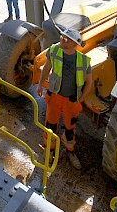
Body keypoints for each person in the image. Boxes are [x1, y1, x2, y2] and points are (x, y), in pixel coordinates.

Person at [37, 28, 92, 170]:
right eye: (63, 36)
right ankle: (49, 150)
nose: (62, 38)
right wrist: (40, 84)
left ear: (74, 43)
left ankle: (70, 151)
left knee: (70, 128)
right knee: (50, 126)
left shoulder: (83, 61)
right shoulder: (54, 50)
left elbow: (89, 82)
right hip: (55, 96)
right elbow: (46, 68)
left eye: (66, 38)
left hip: (72, 100)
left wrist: (81, 99)